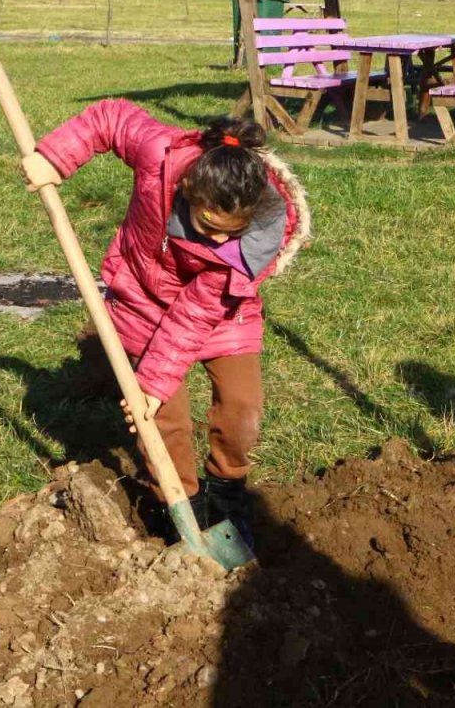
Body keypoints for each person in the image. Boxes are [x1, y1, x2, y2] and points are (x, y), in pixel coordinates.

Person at [20, 100, 312, 543]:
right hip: (143, 302)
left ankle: (227, 496)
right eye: (208, 224)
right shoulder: (161, 155)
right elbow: (111, 119)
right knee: (162, 419)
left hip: (220, 312)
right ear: (190, 190)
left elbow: (193, 316)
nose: (218, 238)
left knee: (243, 407)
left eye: (230, 231)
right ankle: (179, 506)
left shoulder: (252, 243)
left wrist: (154, 381)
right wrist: (55, 157)